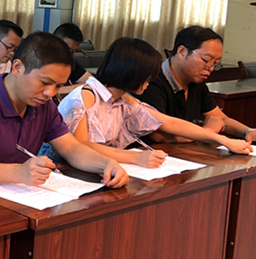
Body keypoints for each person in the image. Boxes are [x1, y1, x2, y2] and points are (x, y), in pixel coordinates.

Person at [0, 32, 129, 188]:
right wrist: (18, 172)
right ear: (17, 67)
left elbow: (71, 148)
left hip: (16, 193)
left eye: (58, 86)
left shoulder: (43, 106)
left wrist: (106, 164)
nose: (50, 93)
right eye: (45, 82)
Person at [42, 37, 250, 167]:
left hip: (102, 168)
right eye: (148, 75)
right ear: (132, 72)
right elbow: (82, 146)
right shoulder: (85, 98)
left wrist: (223, 140)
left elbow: (169, 122)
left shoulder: (123, 99)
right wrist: (135, 158)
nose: (151, 81)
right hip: (65, 172)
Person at [137, 26, 256, 143]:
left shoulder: (196, 82)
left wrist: (247, 131)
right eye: (206, 60)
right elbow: (158, 135)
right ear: (182, 52)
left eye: (215, 63)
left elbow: (221, 119)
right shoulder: (150, 81)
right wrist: (208, 132)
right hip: (149, 152)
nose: (211, 68)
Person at [53, 23, 92, 95]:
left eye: (74, 51)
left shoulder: (69, 63)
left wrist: (72, 88)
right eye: (67, 49)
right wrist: (71, 88)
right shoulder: (39, 60)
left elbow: (93, 83)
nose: (70, 55)